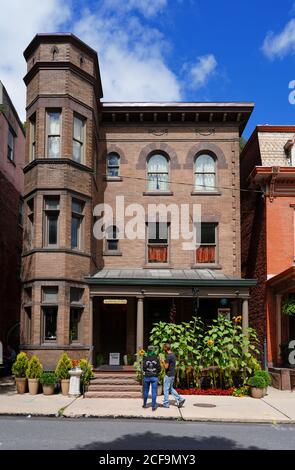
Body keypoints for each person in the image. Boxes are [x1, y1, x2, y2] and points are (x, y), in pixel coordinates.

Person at [162, 343, 185, 408]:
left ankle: (166, 403)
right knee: (171, 388)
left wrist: (162, 361)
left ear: (166, 348)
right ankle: (180, 399)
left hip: (168, 374)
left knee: (166, 389)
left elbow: (166, 367)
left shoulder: (168, 356)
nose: (163, 349)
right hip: (172, 374)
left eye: (164, 348)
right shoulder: (173, 355)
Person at [142, 345, 161, 411]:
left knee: (145, 391)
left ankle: (144, 404)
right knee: (154, 392)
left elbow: (144, 368)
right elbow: (159, 368)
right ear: (153, 350)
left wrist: (147, 371)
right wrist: (156, 372)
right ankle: (153, 406)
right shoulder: (156, 358)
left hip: (146, 377)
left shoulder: (145, 357)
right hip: (154, 376)